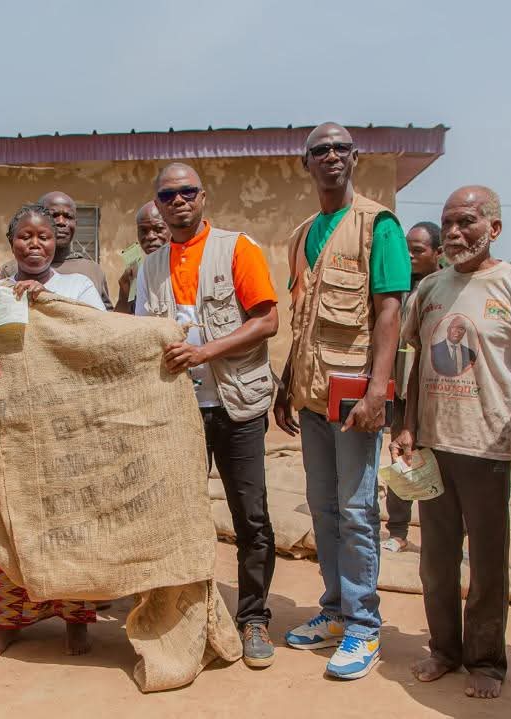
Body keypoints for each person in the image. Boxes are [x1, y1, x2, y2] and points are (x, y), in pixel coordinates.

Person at [391, 186, 511, 700]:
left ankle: (487, 660)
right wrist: (407, 425)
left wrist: (509, 381)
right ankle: (445, 649)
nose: (457, 233)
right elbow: (413, 361)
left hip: (489, 444)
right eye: (450, 223)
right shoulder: (431, 289)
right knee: (436, 560)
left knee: (487, 563)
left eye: (467, 222)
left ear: (495, 228)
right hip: (436, 445)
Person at [274, 122, 411, 679]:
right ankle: (334, 611)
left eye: (338, 148)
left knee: (356, 511)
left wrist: (378, 391)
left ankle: (363, 626)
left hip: (354, 398)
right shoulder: (303, 233)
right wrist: (286, 384)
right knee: (325, 506)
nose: (329, 156)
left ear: (354, 158)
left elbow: (389, 311)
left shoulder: (378, 225)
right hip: (310, 396)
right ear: (305, 163)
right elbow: (302, 321)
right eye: (318, 151)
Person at [136, 162, 280, 668]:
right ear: (158, 204)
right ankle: (188, 617)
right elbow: (140, 337)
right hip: (179, 412)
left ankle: (254, 617)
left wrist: (205, 351)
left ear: (204, 197)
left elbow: (267, 320)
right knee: (179, 516)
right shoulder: (150, 266)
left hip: (237, 404)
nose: (178, 201)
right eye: (168, 195)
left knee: (251, 516)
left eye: (187, 192)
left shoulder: (236, 248)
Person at [0, 203, 103, 661]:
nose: (35, 244)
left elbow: (96, 337)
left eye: (43, 236)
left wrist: (46, 302)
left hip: (66, 425)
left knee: (70, 522)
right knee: (7, 517)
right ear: (11, 243)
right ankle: (7, 622)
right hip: (11, 429)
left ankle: (75, 618)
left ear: (57, 241)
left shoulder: (77, 286)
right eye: (25, 236)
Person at [385, 221, 443, 553]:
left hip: (434, 391)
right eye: (406, 248)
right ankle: (397, 530)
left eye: (417, 250)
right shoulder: (400, 286)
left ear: (438, 253)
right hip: (402, 390)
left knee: (437, 463)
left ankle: (447, 534)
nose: (409, 255)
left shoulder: (442, 287)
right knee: (401, 456)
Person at [0, 191, 112, 309]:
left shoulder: (91, 271)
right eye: (54, 216)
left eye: (68, 216)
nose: (61, 222)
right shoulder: (11, 269)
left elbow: (105, 321)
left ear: (76, 223)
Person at [115, 201, 170, 314]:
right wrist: (125, 294)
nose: (150, 237)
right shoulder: (138, 274)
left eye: (158, 229)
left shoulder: (182, 267)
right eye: (143, 231)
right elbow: (120, 324)